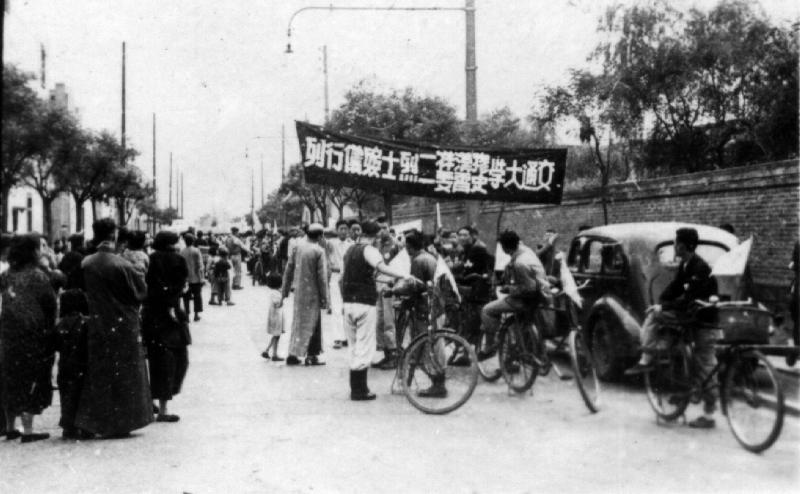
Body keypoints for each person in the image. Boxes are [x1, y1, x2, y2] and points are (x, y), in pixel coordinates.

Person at [625, 227, 719, 429]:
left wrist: (663, 306)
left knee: (705, 364)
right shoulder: (687, 265)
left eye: (676, 243)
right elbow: (676, 286)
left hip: (704, 321)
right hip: (693, 317)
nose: (674, 246)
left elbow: (688, 297)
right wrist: (663, 298)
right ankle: (685, 387)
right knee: (697, 360)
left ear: (683, 246)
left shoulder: (699, 268)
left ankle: (647, 356)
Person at [75, 218, 152, 438]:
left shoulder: (87, 263)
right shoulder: (121, 264)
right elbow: (140, 292)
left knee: (100, 372)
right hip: (123, 323)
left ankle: (99, 420)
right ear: (113, 235)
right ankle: (124, 420)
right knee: (127, 373)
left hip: (98, 322)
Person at [340, 220, 412, 400]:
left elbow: (343, 278)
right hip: (365, 303)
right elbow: (382, 267)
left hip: (348, 302)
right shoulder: (369, 250)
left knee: (354, 345)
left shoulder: (349, 250)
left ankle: (355, 387)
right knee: (364, 345)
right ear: (376, 236)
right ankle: (360, 390)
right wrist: (404, 275)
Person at [0, 233, 58, 443]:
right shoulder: (38, 276)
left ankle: (9, 426)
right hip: (34, 333)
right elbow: (50, 306)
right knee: (33, 377)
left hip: (8, 332)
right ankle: (28, 430)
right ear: (33, 252)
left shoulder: (7, 275)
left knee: (10, 376)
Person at [479, 230, 552, 359]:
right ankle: (509, 355)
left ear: (504, 247)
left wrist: (509, 289)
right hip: (543, 295)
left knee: (487, 310)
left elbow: (530, 288)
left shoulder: (520, 264)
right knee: (512, 324)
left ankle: (492, 344)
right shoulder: (526, 251)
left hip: (527, 300)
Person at [143, 231, 191, 423]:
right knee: (177, 360)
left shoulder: (151, 259)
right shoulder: (178, 260)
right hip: (172, 316)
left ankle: (154, 401)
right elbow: (180, 285)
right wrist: (172, 303)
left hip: (153, 315)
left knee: (157, 360)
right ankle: (163, 407)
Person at [280, 223, 330, 366]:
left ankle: (293, 354)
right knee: (313, 323)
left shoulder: (297, 247)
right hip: (313, 293)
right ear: (320, 236)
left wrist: (284, 291)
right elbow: (322, 278)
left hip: (299, 292)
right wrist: (325, 298)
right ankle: (312, 355)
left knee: (298, 323)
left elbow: (288, 270)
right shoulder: (319, 251)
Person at [55, 289, 90, 440]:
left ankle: (68, 426)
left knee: (66, 396)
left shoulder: (59, 324)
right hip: (83, 364)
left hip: (65, 365)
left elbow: (55, 344)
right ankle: (83, 426)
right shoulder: (87, 322)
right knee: (82, 395)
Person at [373, 218, 402, 370]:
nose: (382, 230)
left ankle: (393, 354)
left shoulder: (395, 245)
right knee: (380, 320)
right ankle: (385, 353)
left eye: (385, 227)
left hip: (390, 283)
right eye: (380, 228)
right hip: (378, 283)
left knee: (389, 321)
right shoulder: (375, 244)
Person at [328, 220, 353, 349]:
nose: (343, 231)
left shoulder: (352, 245)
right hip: (336, 276)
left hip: (349, 277)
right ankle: (337, 337)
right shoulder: (331, 244)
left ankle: (347, 337)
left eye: (345, 229)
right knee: (336, 308)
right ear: (337, 230)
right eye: (341, 229)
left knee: (347, 308)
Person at [261, 273, 285, 362]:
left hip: (275, 316)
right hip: (276, 317)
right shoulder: (276, 293)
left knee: (276, 335)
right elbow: (277, 304)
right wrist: (282, 300)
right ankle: (273, 354)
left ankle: (267, 350)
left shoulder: (274, 292)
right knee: (276, 335)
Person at [181, 233, 204, 322]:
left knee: (186, 298)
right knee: (197, 296)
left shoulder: (182, 251)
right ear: (193, 241)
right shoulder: (196, 251)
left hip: (186, 279)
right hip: (196, 278)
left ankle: (187, 315)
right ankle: (196, 315)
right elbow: (200, 265)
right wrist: (201, 278)